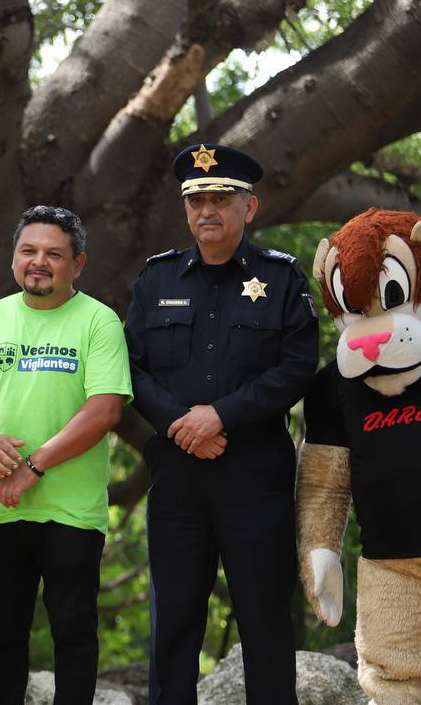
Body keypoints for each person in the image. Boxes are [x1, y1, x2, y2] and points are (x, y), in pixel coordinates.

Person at [124, 143, 318, 704]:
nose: (207, 210)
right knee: (175, 623)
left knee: (264, 621)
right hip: (178, 476)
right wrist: (182, 425)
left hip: (255, 477)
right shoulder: (156, 279)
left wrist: (219, 416)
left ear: (248, 208)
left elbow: (298, 367)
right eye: (196, 200)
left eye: (222, 198)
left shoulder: (280, 278)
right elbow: (129, 367)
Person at [0, 206, 131, 705]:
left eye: (54, 254)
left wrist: (34, 467)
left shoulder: (99, 321)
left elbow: (105, 409)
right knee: (2, 637)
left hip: (72, 511)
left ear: (78, 263)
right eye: (28, 251)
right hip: (1, 507)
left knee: (74, 635)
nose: (39, 262)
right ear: (13, 259)